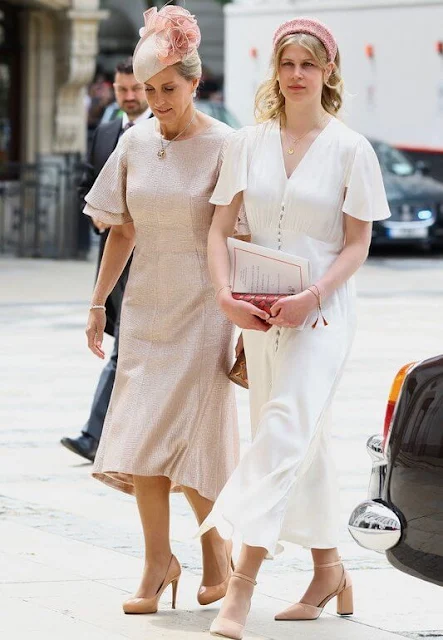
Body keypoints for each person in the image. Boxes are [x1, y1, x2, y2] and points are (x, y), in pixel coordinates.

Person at [199, 16, 391, 640]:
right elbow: (218, 229)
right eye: (287, 64)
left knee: (282, 431)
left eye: (309, 64)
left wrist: (313, 294)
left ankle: (239, 586)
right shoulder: (246, 144)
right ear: (275, 72)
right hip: (258, 312)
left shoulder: (351, 149)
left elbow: (358, 244)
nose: (297, 75)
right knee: (295, 438)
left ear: (329, 71)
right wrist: (226, 297)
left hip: (324, 313)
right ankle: (330, 571)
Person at [83, 5, 245, 615]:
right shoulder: (133, 140)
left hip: (207, 310)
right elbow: (119, 230)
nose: (157, 101)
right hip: (147, 311)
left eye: (168, 89)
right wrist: (99, 303)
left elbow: (241, 237)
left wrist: (244, 329)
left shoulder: (228, 147)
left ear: (194, 82)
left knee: (199, 442)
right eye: (148, 90)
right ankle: (159, 562)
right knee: (144, 439)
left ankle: (215, 553)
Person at [61, 58, 151, 462]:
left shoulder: (161, 131)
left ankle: (96, 436)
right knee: (126, 347)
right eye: (121, 90)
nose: (128, 97)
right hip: (113, 261)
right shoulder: (106, 131)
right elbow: (87, 184)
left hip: (151, 260)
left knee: (126, 349)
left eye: (135, 89)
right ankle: (118, 437)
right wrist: (97, 214)